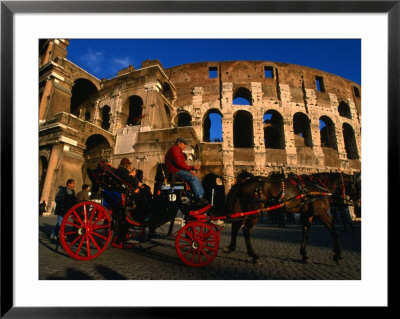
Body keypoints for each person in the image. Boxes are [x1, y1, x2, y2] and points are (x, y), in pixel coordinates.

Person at [165, 137, 208, 206]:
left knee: (194, 176)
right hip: (174, 171)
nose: (185, 145)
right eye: (184, 144)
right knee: (192, 177)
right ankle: (200, 198)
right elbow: (179, 163)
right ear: (179, 143)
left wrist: (192, 169)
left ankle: (200, 196)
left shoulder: (178, 150)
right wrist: (191, 169)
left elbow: (182, 165)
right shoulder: (175, 149)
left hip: (178, 170)